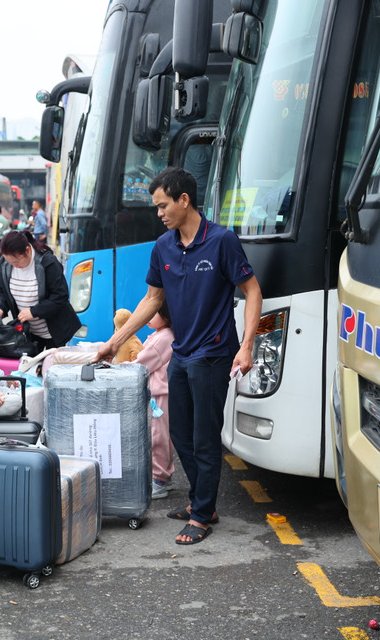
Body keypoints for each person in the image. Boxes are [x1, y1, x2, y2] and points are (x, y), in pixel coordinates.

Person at [95, 166, 262, 545]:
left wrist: (247, 345)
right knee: (180, 433)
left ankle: (202, 515)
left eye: (162, 205)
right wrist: (114, 341)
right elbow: (152, 299)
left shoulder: (222, 241)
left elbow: (252, 291)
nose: (159, 213)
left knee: (205, 437)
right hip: (182, 353)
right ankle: (203, 502)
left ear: (184, 199)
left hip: (215, 354)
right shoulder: (164, 246)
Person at [0, 230, 80, 352]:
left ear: (27, 250)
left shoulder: (47, 262)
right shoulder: (5, 264)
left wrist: (34, 312)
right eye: (9, 262)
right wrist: (1, 308)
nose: (14, 265)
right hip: (29, 332)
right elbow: (2, 291)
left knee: (50, 366)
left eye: (16, 261)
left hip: (54, 331)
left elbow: (60, 296)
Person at [134, 301, 175, 499]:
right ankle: (165, 475)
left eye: (153, 314)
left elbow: (142, 363)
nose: (148, 318)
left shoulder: (163, 338)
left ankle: (158, 480)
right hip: (161, 395)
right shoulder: (161, 335)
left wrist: (124, 366)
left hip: (159, 396)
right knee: (163, 436)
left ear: (166, 316)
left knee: (157, 437)